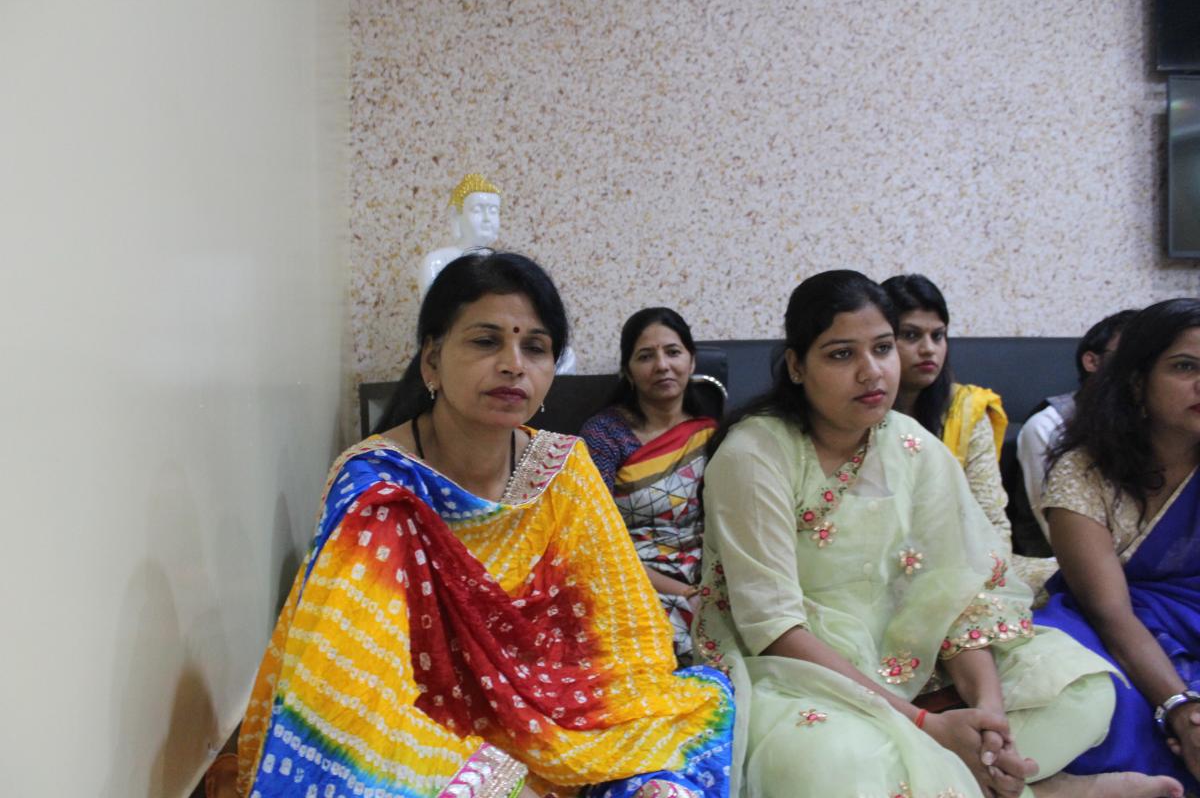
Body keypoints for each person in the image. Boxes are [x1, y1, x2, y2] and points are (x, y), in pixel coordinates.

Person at [236, 252, 734, 798]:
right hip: (427, 733)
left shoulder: (564, 470)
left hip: (565, 719)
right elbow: (352, 679)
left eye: (535, 347)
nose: (513, 364)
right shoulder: (380, 489)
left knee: (673, 771)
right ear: (431, 361)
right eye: (485, 341)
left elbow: (623, 635)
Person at [694, 270, 1179, 798]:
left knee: (1081, 688)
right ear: (796, 366)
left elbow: (956, 595)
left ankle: (981, 774)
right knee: (834, 766)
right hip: (796, 669)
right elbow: (772, 627)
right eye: (841, 354)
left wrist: (989, 717)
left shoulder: (913, 446)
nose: (871, 371)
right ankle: (1046, 790)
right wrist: (929, 728)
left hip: (914, 658)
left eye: (882, 348)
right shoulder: (755, 454)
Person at [1033, 298, 1200, 794]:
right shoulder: (1083, 472)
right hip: (1106, 629)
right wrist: (1181, 708)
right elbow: (1112, 615)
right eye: (1185, 367)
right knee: (1084, 696)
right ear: (1136, 382)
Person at [881, 274, 1057, 595]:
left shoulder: (966, 408)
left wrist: (986, 578)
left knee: (1078, 575)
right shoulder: (858, 410)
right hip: (879, 566)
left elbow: (991, 519)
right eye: (911, 335)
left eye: (938, 336)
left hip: (967, 561)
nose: (928, 349)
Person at [580, 308, 717, 665]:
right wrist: (685, 593)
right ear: (627, 370)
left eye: (673, 352)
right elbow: (595, 536)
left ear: (691, 360)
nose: (662, 365)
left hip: (707, 574)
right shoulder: (605, 435)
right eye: (645, 356)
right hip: (628, 577)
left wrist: (707, 589)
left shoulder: (711, 434)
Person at [1017, 310, 1137, 540]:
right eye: (1129, 356)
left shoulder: (1165, 422)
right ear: (1092, 361)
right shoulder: (1049, 425)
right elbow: (1058, 535)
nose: (1140, 369)